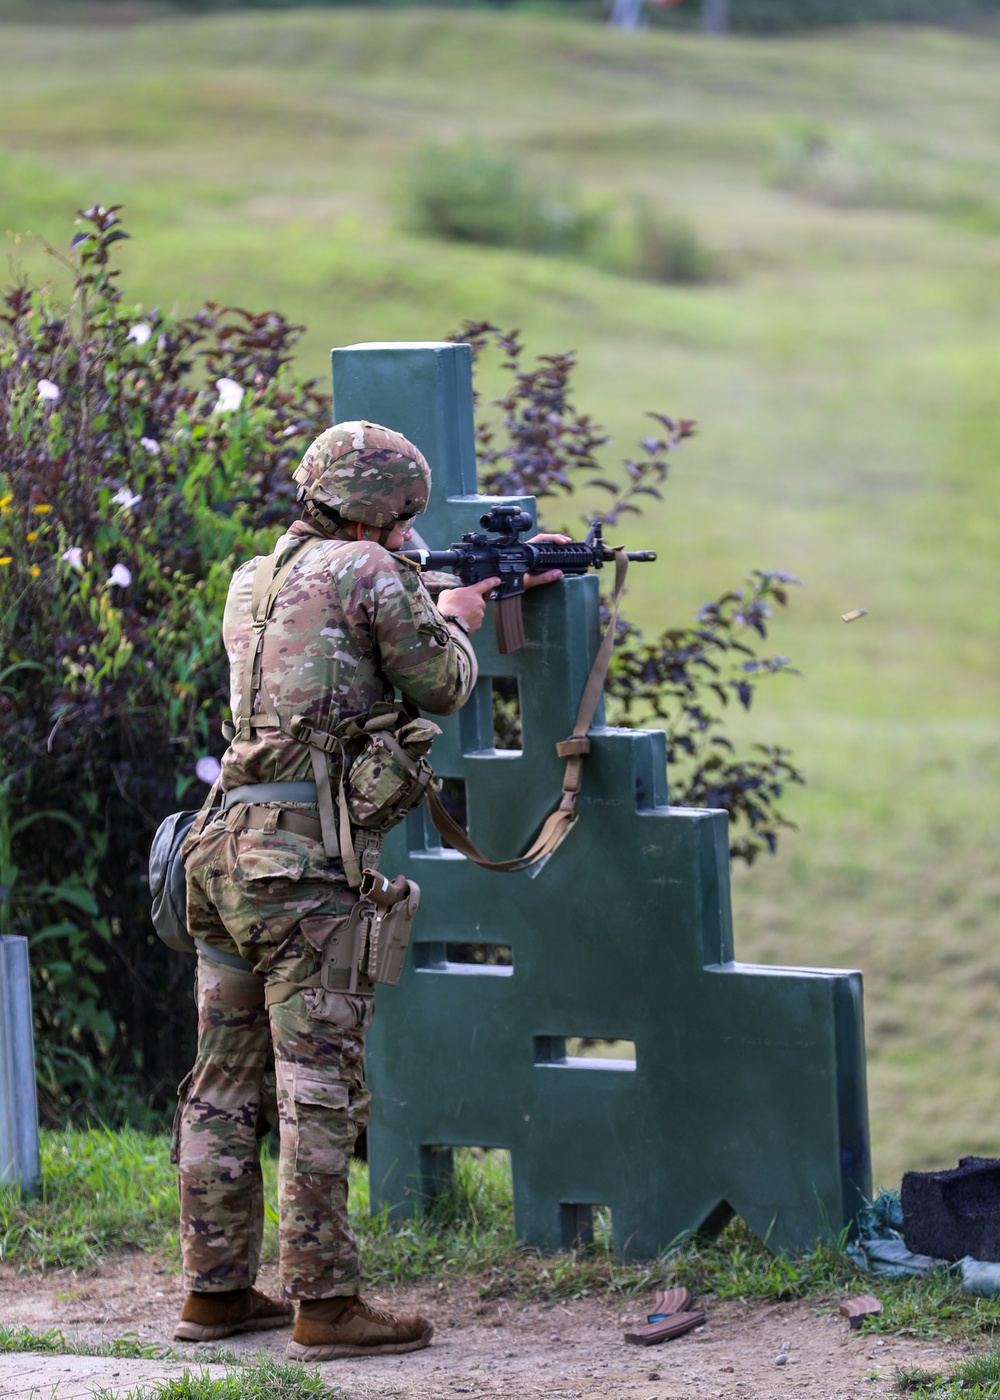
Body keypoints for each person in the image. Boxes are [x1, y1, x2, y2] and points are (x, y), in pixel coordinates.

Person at [172, 421, 561, 1362]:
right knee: (318, 1087)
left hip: (222, 851)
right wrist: (461, 609)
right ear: (386, 507)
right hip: (303, 870)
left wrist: (426, 581)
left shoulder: (255, 577)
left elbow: (329, 656)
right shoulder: (371, 574)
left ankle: (215, 1294)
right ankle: (326, 1303)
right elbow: (445, 685)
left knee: (221, 1088)